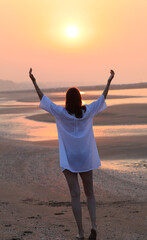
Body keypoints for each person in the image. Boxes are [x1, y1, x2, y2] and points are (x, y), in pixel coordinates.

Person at [29, 68, 115, 240]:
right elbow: (102, 98)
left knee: (75, 195)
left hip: (69, 157)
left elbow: (44, 99)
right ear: (80, 99)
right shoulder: (87, 111)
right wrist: (109, 81)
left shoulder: (61, 113)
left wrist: (34, 81)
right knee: (89, 193)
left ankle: (81, 233)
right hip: (84, 156)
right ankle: (94, 227)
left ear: (67, 100)